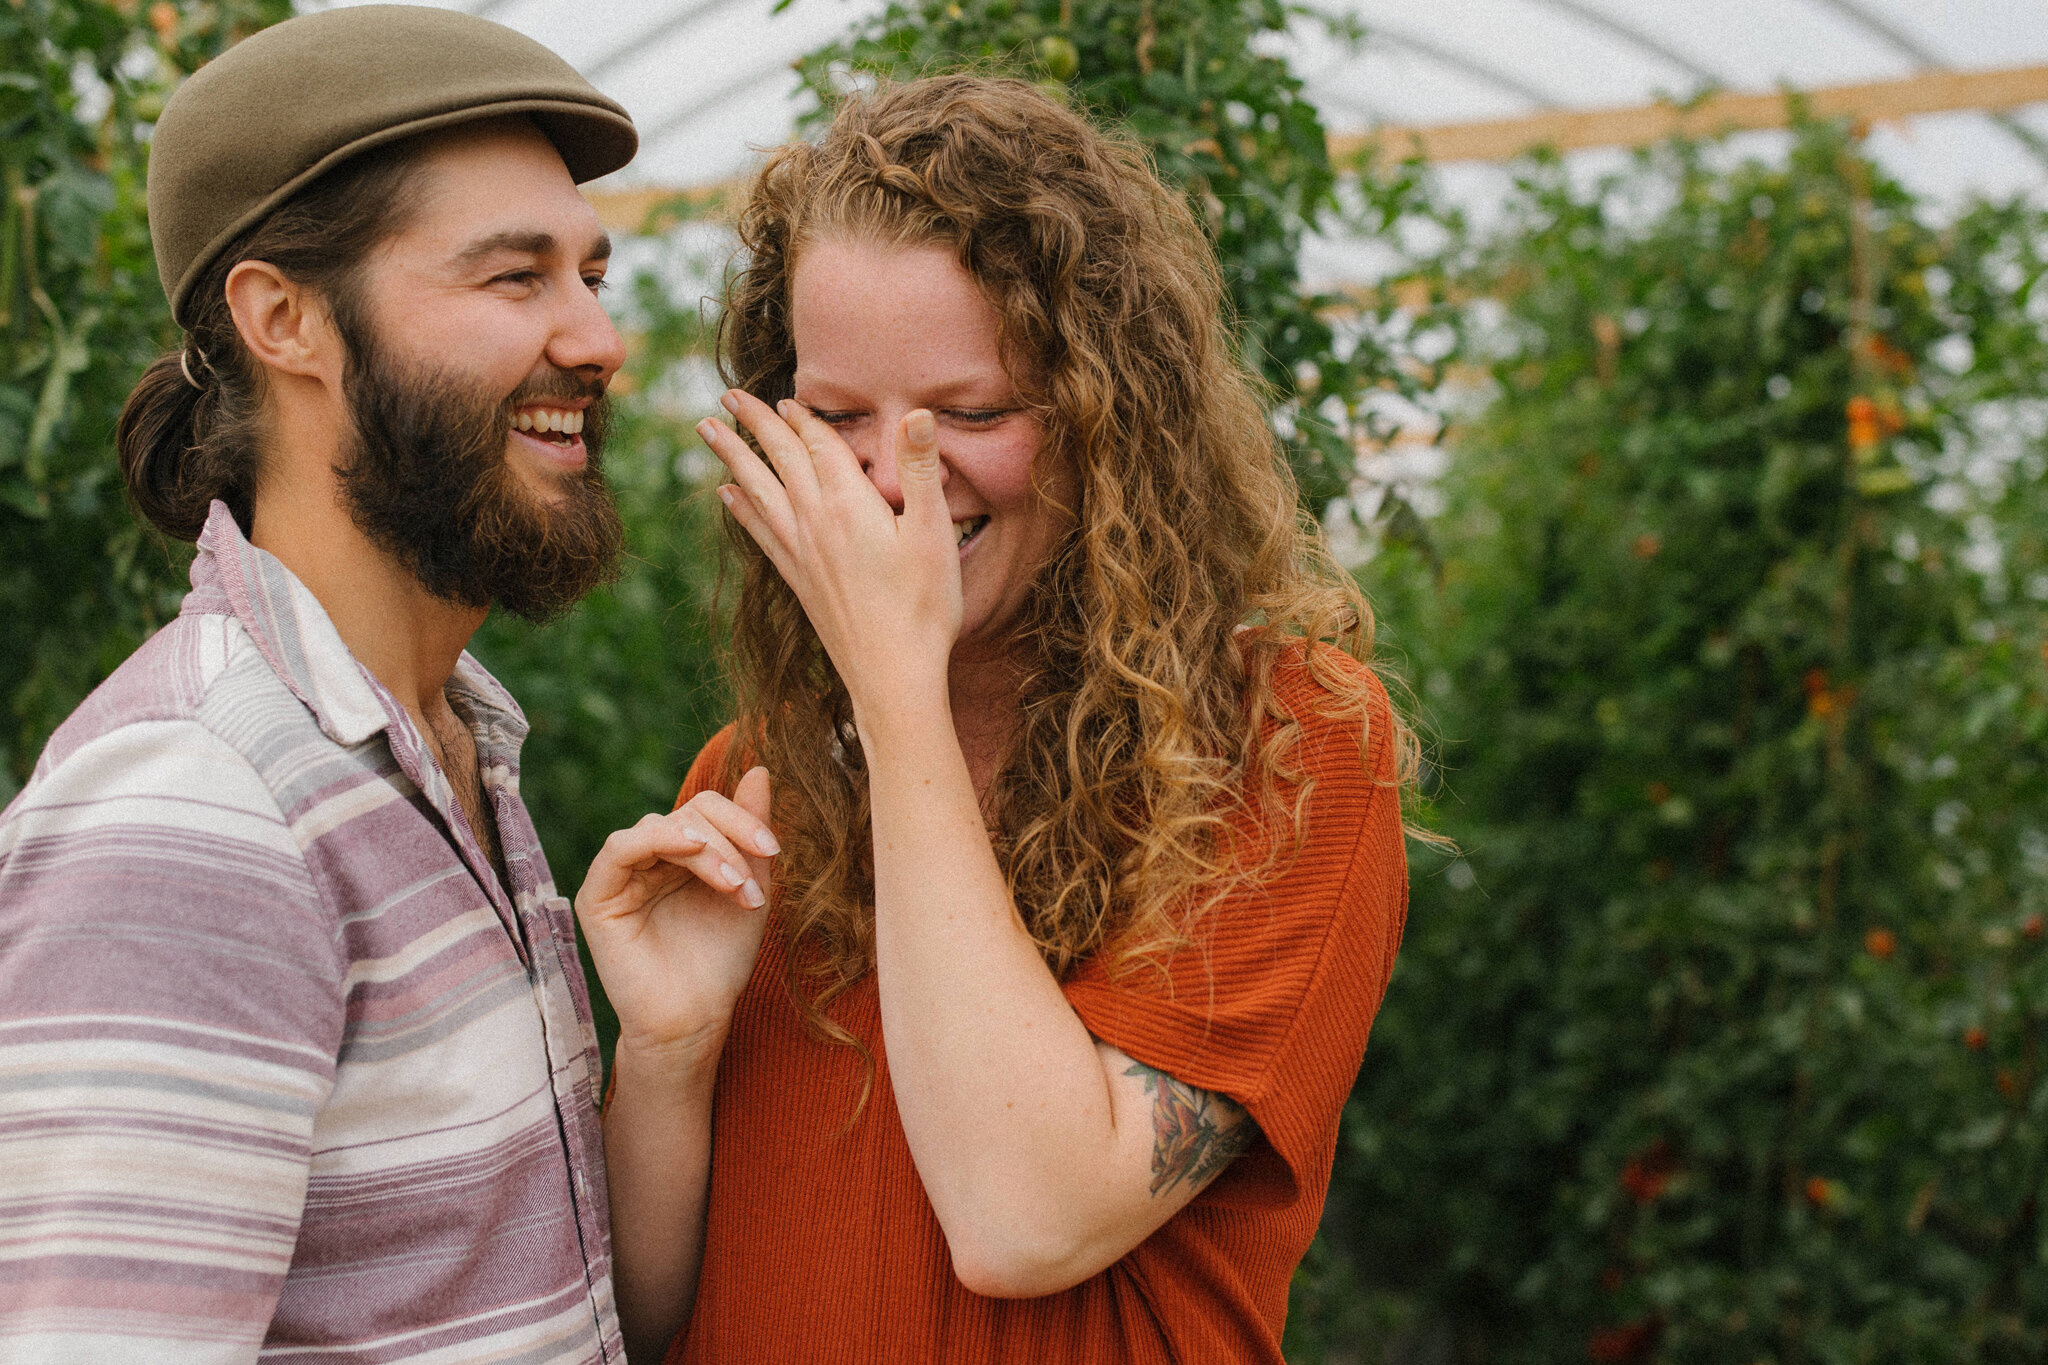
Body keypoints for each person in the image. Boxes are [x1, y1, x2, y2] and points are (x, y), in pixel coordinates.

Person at [588, 75, 1414, 1362]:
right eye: (832, 416)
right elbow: (641, 1320)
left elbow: (1024, 1220)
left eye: (970, 415)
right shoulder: (761, 779)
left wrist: (893, 690)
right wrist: (667, 1056)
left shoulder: (1286, 749)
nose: (892, 478)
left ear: (1107, 420)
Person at [0, 7, 770, 1359]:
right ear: (284, 317)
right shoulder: (201, 804)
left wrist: (659, 1062)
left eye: (590, 273)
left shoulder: (444, 741)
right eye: (513, 278)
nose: (598, 341)